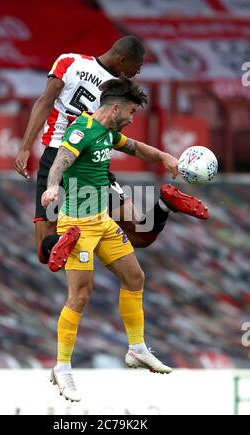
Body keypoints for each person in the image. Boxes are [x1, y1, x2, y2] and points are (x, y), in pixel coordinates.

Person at [41, 76, 192, 402]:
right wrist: (53, 185)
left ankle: (136, 348)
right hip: (77, 226)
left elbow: (137, 148)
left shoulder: (108, 133)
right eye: (132, 112)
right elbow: (60, 161)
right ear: (116, 107)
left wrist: (165, 157)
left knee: (135, 277)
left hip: (102, 221)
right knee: (81, 295)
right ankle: (61, 368)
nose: (132, 118)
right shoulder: (81, 130)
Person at [14, 36, 209, 271]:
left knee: (46, 248)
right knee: (141, 234)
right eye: (135, 68)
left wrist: (25, 147)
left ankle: (69, 239)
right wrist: (162, 155)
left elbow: (45, 101)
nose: (135, 73)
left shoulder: (69, 61)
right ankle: (165, 204)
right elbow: (119, 137)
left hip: (58, 154)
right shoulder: (116, 92)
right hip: (93, 161)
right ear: (123, 59)